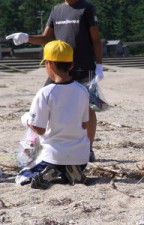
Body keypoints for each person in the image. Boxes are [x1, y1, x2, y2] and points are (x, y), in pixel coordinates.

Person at [6, 0, 102, 162]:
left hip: (84, 65)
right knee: (43, 104)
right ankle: (33, 148)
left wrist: (99, 64)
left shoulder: (86, 8)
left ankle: (88, 148)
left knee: (89, 107)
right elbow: (46, 38)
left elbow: (96, 39)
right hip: (57, 66)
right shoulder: (56, 10)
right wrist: (27, 37)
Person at [17, 40, 90, 189]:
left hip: (53, 156)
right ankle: (72, 170)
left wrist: (26, 120)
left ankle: (54, 170)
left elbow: (40, 129)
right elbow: (84, 124)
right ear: (71, 64)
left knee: (22, 176)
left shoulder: (46, 92)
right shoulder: (82, 90)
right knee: (66, 166)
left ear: (49, 64)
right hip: (81, 157)